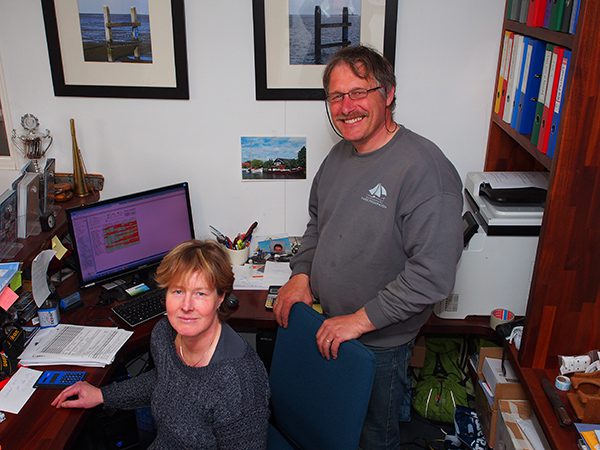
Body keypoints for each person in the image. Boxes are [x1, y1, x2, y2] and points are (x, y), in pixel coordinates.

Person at [273, 45, 463, 450]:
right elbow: (317, 223)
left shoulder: (425, 168)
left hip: (378, 344)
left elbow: (433, 275)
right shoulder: (340, 155)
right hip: (329, 325)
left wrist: (359, 320)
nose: (347, 107)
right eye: (337, 96)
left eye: (359, 92)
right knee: (330, 432)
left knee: (372, 439)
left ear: (388, 93)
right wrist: (301, 274)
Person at [52, 240, 271, 449]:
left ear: (220, 298)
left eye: (200, 293)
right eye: (177, 291)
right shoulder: (164, 334)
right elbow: (165, 379)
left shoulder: (239, 382)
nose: (186, 306)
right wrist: (103, 395)